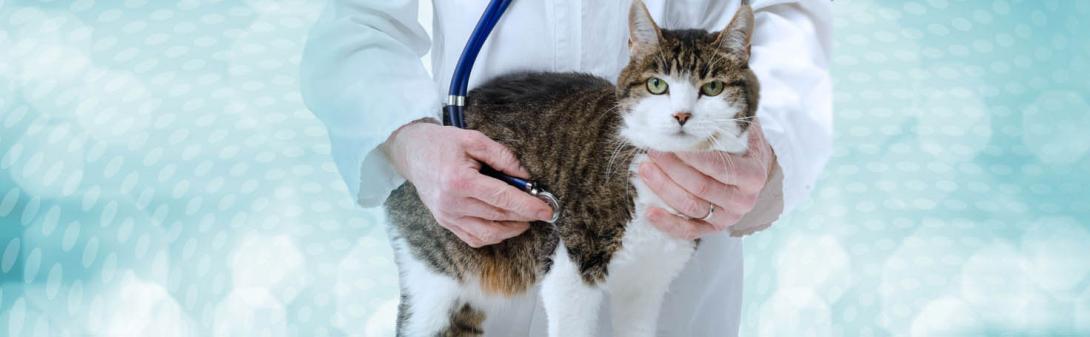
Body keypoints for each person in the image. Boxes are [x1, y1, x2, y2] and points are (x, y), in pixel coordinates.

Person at [300, 0, 831, 336]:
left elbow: (787, 18)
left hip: (686, 224)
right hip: (474, 225)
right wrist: (408, 138)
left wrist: (766, 157)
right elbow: (359, 20)